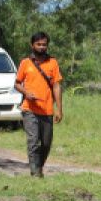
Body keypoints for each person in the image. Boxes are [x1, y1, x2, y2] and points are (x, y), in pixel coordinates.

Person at [14, 31, 63, 177]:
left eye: (44, 44)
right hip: (29, 109)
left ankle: (38, 167)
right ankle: (35, 173)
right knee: (33, 141)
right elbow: (17, 84)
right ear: (32, 45)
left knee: (46, 144)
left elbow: (56, 86)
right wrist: (26, 93)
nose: (42, 47)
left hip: (47, 110)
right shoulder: (25, 63)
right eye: (38, 44)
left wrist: (59, 109)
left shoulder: (53, 62)